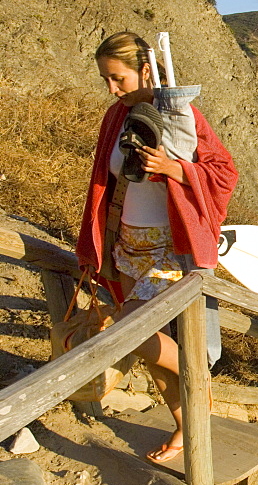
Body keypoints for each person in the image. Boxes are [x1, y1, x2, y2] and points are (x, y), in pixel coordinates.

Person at [77, 32, 238, 463]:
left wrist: (174, 169)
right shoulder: (117, 116)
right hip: (126, 243)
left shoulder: (182, 114)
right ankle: (187, 425)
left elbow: (224, 173)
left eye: (118, 78)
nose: (112, 90)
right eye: (106, 80)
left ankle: (198, 379)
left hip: (169, 246)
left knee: (129, 332)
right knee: (147, 343)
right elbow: (106, 181)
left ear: (146, 70)